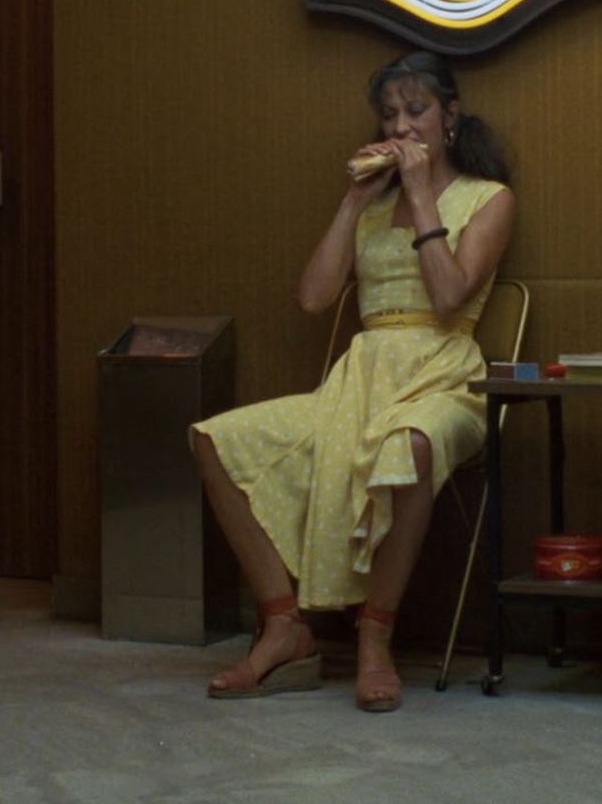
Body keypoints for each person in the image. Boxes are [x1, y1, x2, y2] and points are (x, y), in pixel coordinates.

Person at [189, 50, 516, 713]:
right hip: (359, 379)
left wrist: (421, 195)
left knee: (411, 444)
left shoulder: (490, 199)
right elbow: (314, 298)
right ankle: (284, 626)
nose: (401, 127)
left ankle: (375, 635)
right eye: (389, 115)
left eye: (416, 110)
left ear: (450, 116)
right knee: (215, 439)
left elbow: (449, 298)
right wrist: (354, 200)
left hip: (445, 376)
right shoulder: (371, 207)